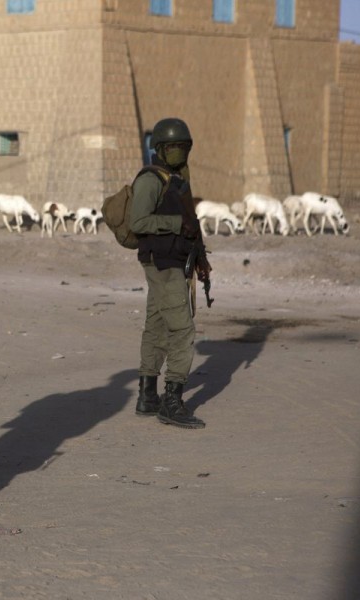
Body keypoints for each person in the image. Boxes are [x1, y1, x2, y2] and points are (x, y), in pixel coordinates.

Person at [129, 117, 209, 429]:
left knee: (157, 325)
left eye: (183, 147)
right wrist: (177, 225)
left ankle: (148, 396)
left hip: (172, 262)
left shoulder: (175, 178)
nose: (178, 152)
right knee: (183, 330)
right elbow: (138, 222)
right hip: (162, 264)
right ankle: (172, 401)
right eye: (173, 147)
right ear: (160, 149)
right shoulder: (150, 179)